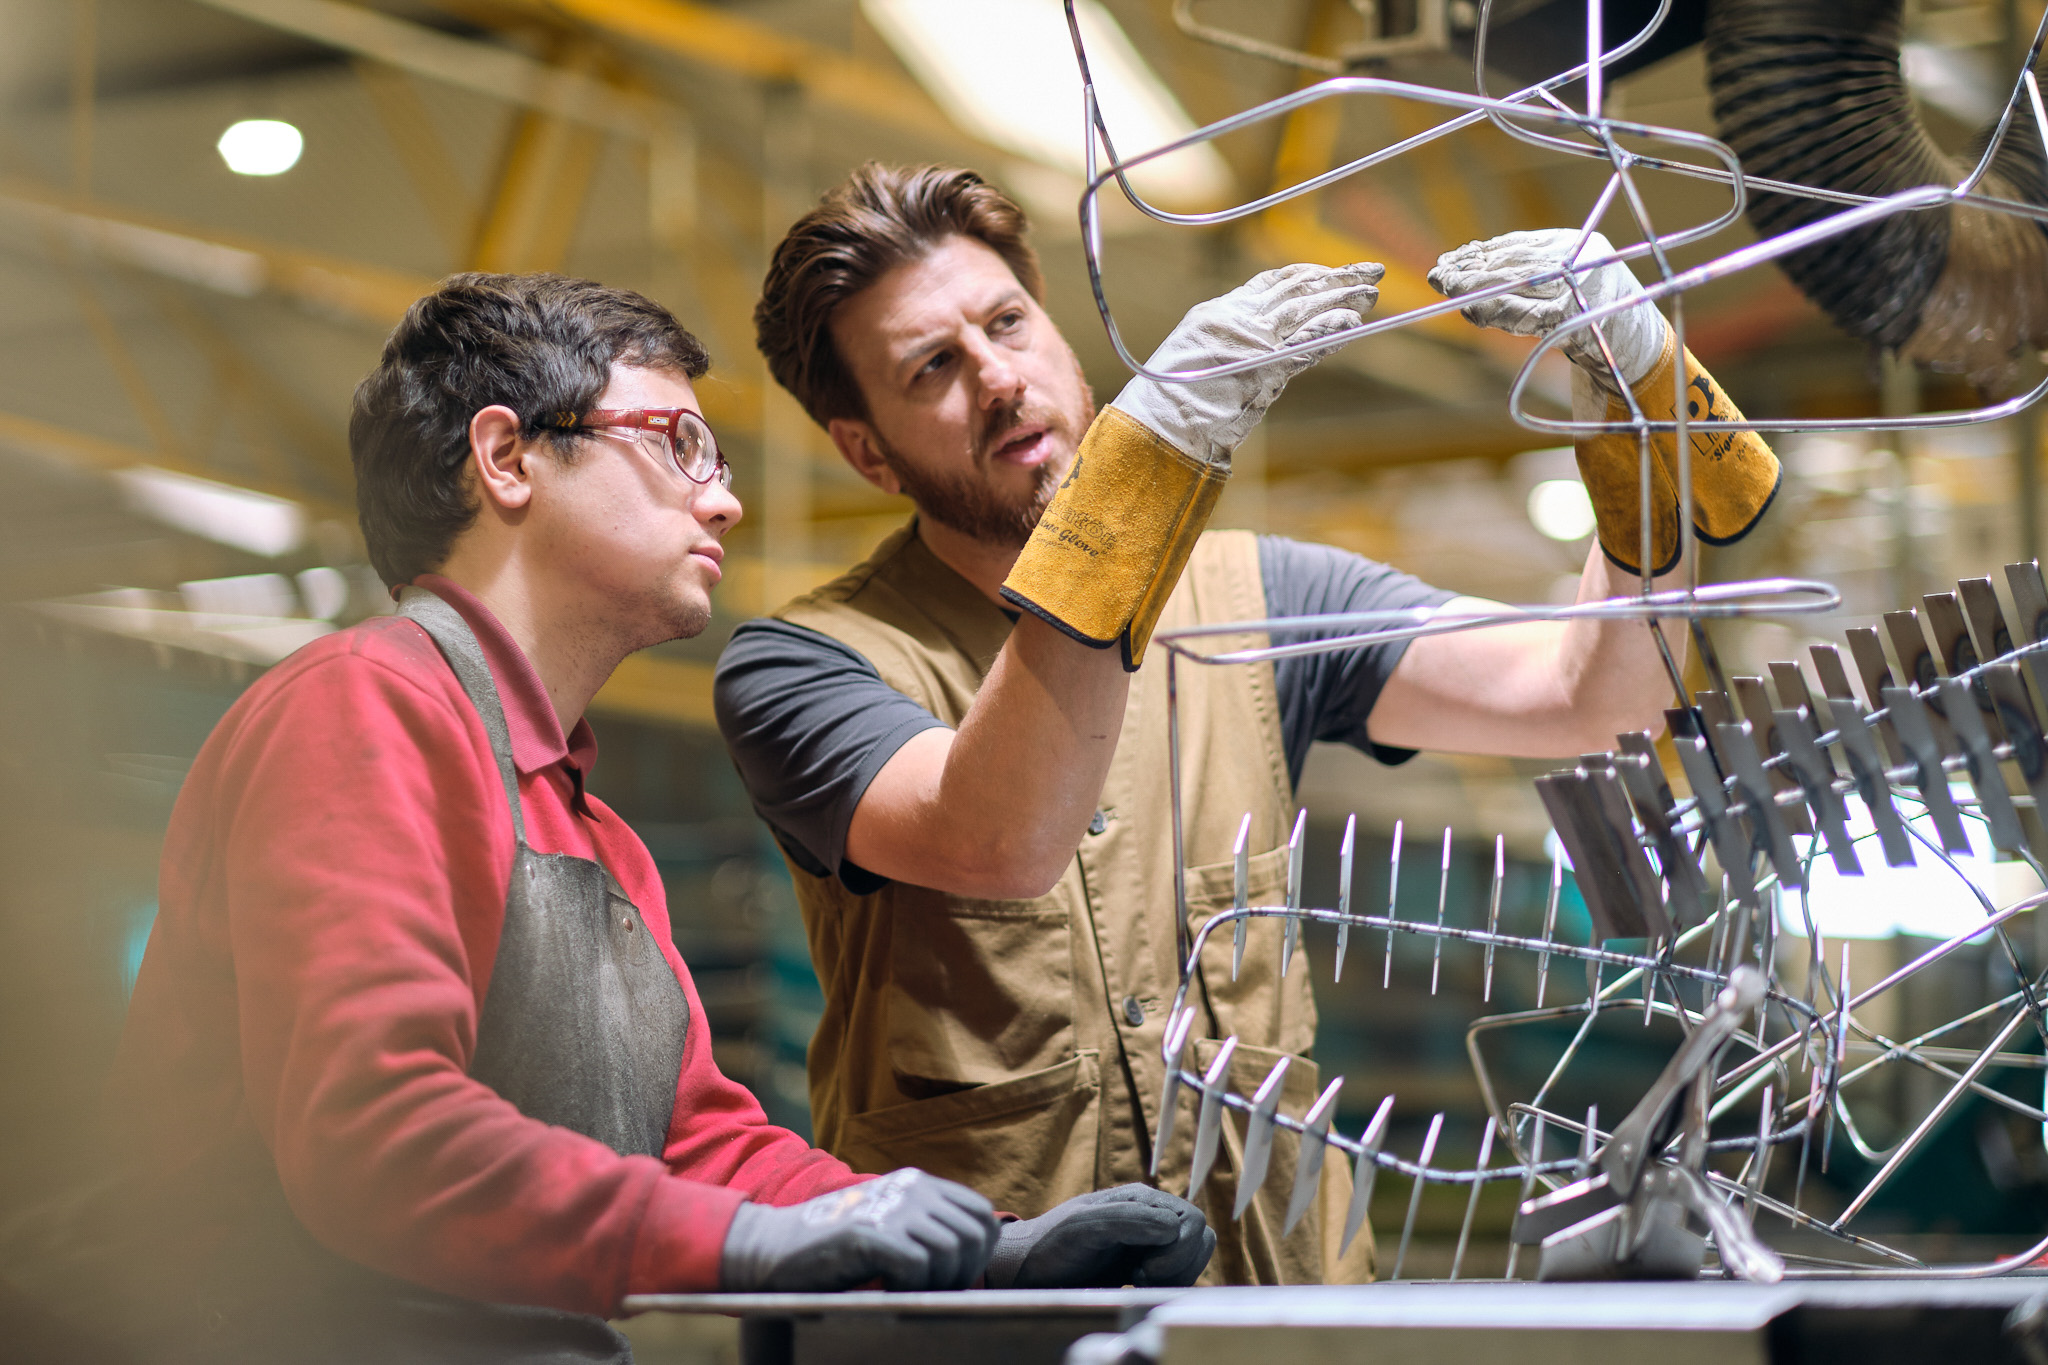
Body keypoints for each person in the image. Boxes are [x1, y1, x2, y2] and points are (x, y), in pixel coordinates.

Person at [30, 273, 1215, 1365]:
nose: (729, 498)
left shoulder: (597, 839)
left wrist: (992, 1254)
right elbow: (374, 1132)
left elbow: (697, 1143)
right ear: (506, 460)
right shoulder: (365, 706)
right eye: (678, 442)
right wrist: (745, 1249)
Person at [716, 165, 1782, 1285]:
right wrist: (1152, 453)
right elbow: (1000, 837)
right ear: (865, 451)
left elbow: (1595, 696)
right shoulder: (803, 665)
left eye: (1007, 324)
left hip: (1285, 1303)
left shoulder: (1257, 601)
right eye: (932, 366)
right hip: (992, 1325)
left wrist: (1635, 400)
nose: (997, 379)